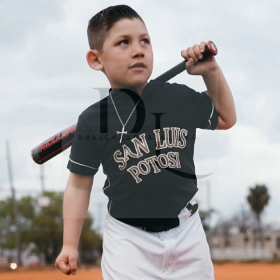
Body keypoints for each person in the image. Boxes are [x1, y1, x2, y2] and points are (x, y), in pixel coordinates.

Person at [55, 4, 236, 280]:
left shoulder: (178, 98)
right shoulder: (93, 120)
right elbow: (79, 186)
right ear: (96, 59)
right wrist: (69, 243)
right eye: (123, 42)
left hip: (187, 233)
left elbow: (226, 118)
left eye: (145, 41)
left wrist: (211, 72)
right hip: (129, 242)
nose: (138, 49)